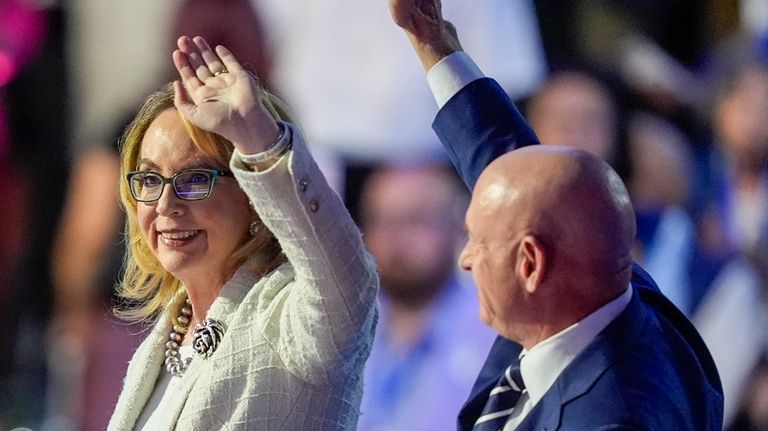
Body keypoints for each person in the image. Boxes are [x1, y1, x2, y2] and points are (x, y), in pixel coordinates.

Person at [389, 0, 724, 429]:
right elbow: (520, 176)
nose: (466, 259)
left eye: (479, 240)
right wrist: (433, 43)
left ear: (531, 263)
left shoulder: (611, 418)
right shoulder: (608, 289)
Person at [107, 35, 378, 430]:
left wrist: (258, 138)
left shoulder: (291, 315)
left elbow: (347, 277)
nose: (166, 204)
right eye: (150, 179)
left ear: (253, 194)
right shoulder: (163, 337)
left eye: (195, 178)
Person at [357, 163, 495, 431]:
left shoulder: (493, 331)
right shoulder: (341, 326)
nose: (396, 238)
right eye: (381, 220)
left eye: (416, 218)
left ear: (458, 227)